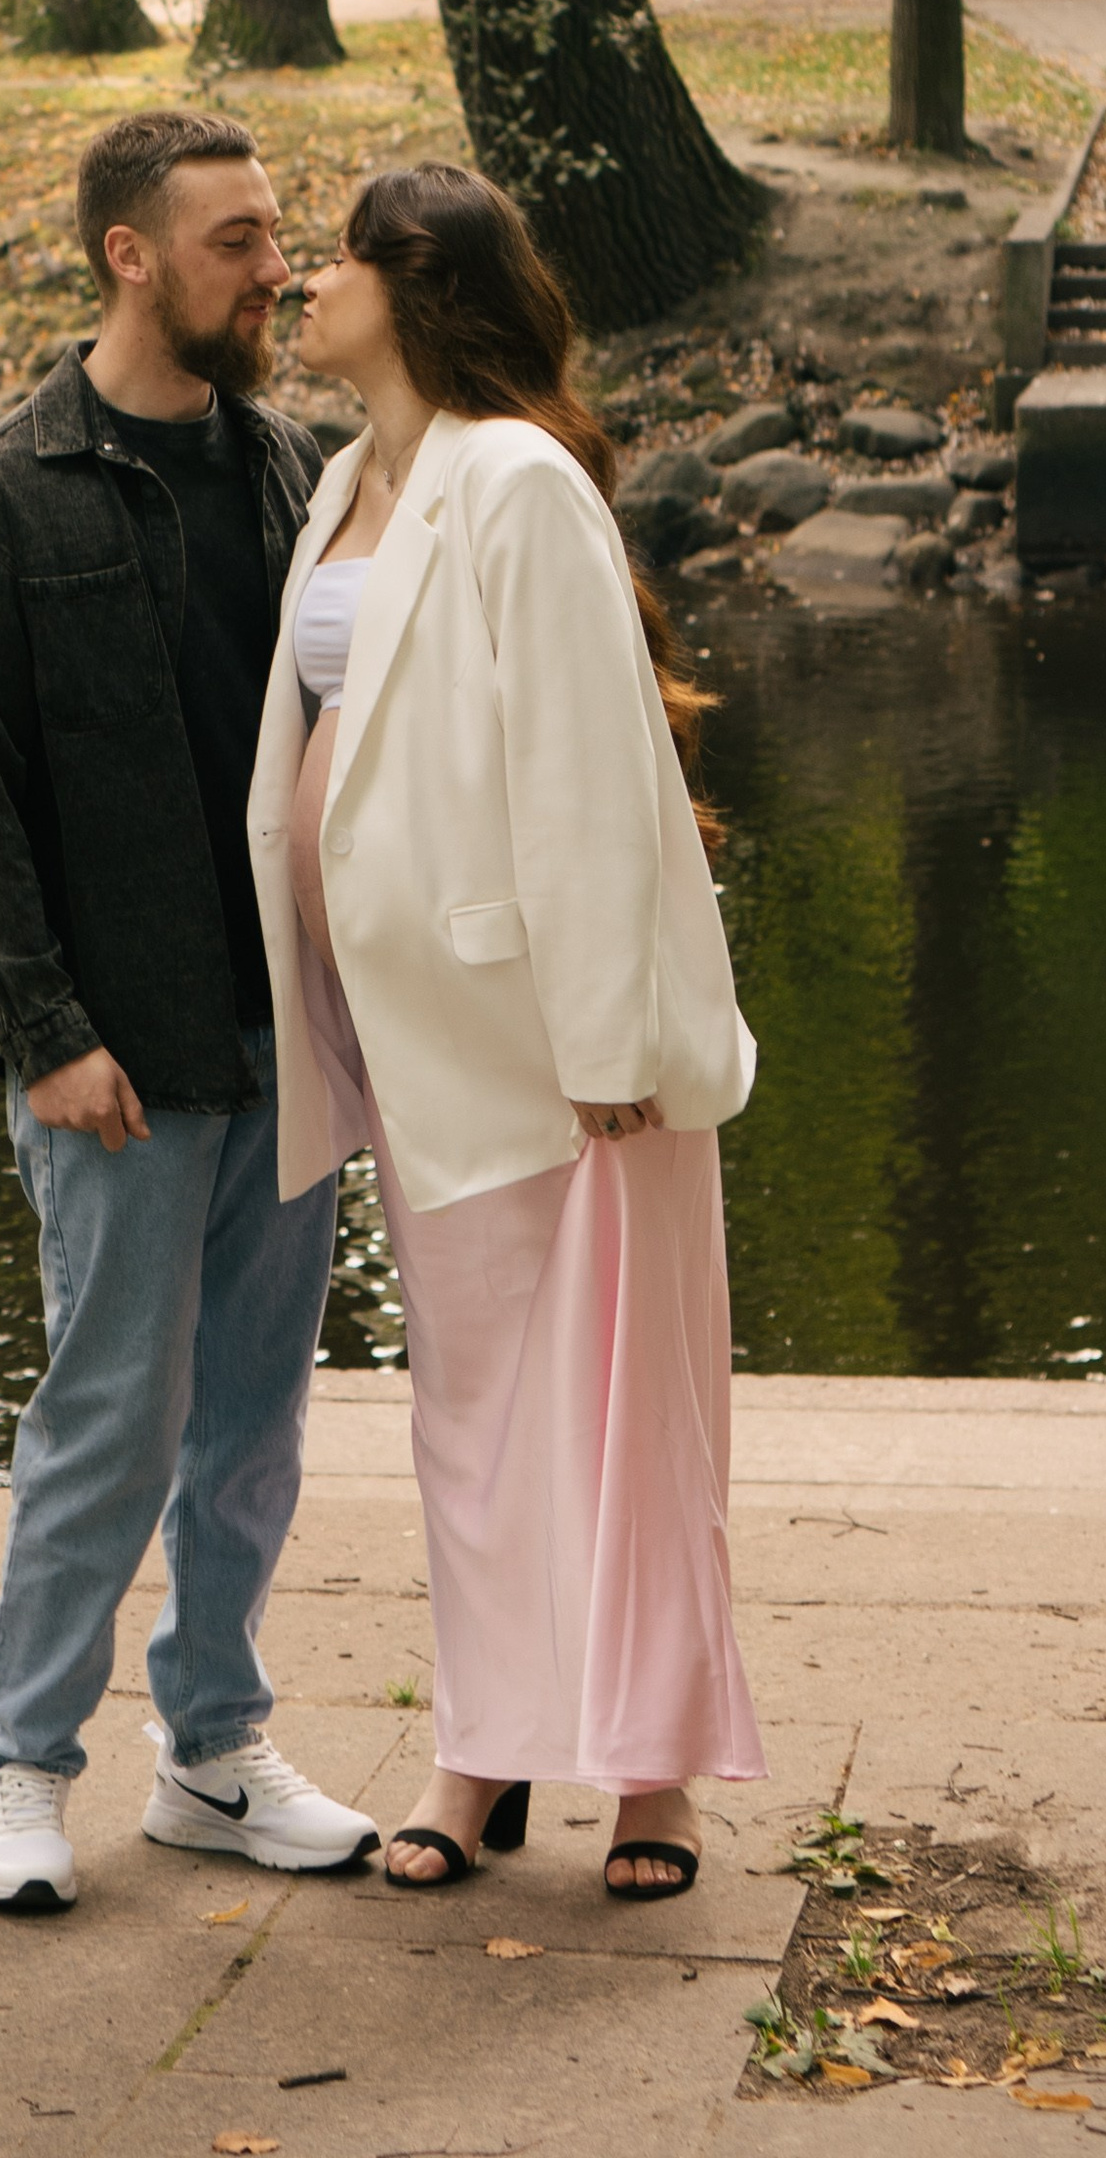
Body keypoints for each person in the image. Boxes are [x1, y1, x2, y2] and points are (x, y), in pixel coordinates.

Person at [247, 159, 766, 1897]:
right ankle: (484, 1750)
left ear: (415, 284)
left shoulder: (518, 479)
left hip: (561, 1053)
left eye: (335, 258)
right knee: (466, 1416)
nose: (305, 285)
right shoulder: (345, 482)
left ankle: (654, 1784)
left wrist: (610, 1040)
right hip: (408, 1040)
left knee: (625, 1414)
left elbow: (588, 771)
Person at [0, 108, 380, 1914]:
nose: (278, 267)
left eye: (275, 234)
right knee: (110, 1415)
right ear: (129, 254)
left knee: (254, 1421)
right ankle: (19, 1770)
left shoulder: (296, 475)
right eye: (239, 240)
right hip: (116, 1059)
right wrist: (48, 1033)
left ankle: (214, 1754)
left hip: (294, 1039)